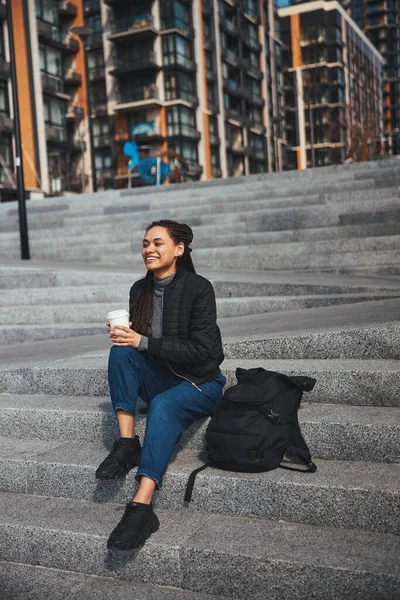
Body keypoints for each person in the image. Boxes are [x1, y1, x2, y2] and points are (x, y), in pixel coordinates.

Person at [96, 219, 225, 551]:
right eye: (144, 244)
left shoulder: (199, 288)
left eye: (157, 243)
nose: (149, 249)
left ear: (178, 249)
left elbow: (205, 353)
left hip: (200, 381)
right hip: (162, 377)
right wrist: (126, 336)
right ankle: (127, 443)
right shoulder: (139, 289)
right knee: (121, 352)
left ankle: (141, 507)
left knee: (163, 405)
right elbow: (140, 347)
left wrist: (143, 341)